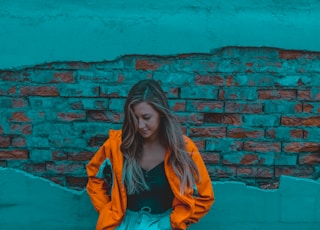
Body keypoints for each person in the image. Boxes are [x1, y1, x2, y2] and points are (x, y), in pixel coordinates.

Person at [86, 79, 214, 230]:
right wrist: (108, 211)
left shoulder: (183, 149)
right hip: (123, 224)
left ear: (161, 113)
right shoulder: (117, 145)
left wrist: (172, 222)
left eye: (146, 117)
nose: (140, 125)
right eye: (135, 118)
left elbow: (204, 197)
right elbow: (95, 178)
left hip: (163, 224)